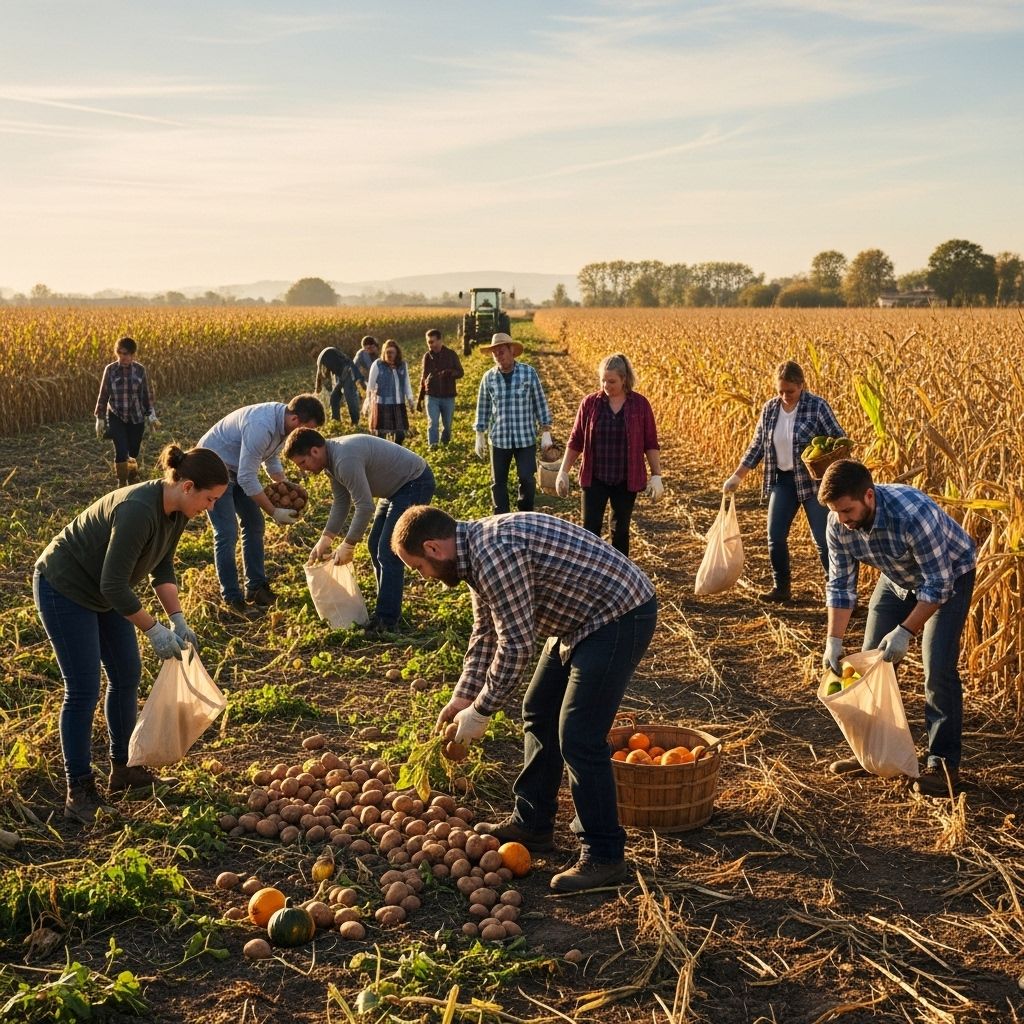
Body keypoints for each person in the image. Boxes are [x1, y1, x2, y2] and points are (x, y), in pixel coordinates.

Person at [392, 506, 658, 893]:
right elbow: (487, 633)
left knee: (579, 736)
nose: (424, 577)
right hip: (578, 618)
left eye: (418, 568)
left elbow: (516, 645)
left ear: (433, 548)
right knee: (538, 710)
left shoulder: (493, 552)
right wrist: (463, 696)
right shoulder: (471, 554)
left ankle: (604, 854)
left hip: (618, 614)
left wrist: (482, 710)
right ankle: (533, 823)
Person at [34, 445, 229, 823]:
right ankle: (79, 791)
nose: (212, 507)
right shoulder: (140, 509)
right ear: (188, 486)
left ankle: (124, 770)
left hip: (104, 591)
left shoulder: (178, 512)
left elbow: (162, 567)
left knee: (126, 675)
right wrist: (152, 628)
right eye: (210, 498)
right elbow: (113, 584)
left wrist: (177, 618)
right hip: (65, 586)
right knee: (83, 689)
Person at [818, 460, 976, 797]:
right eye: (837, 512)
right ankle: (872, 754)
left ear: (869, 497)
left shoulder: (912, 514)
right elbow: (841, 586)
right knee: (870, 666)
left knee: (937, 668)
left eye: (847, 510)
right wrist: (833, 640)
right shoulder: (837, 524)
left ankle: (943, 765)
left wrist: (906, 631)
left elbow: (938, 584)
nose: (842, 520)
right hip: (897, 578)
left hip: (950, 576)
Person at [282, 428, 435, 633]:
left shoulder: (344, 459)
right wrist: (325, 539)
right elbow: (342, 502)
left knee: (388, 551)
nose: (304, 469)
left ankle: (387, 620)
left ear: (315, 451)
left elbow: (364, 506)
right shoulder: (331, 462)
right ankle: (385, 609)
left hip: (414, 482)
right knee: (375, 545)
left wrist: (349, 543)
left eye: (303, 463)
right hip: (393, 490)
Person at [723, 360, 845, 603]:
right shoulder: (770, 409)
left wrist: (828, 462)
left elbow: (839, 439)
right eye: (780, 391)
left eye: (790, 391)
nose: (785, 396)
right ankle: (782, 587)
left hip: (813, 483)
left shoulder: (817, 407)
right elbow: (756, 446)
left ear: (801, 385)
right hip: (783, 481)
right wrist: (736, 476)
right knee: (775, 535)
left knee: (823, 539)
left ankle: (838, 595)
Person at [199, 394, 325, 613]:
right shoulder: (261, 425)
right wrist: (274, 510)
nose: (304, 436)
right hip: (211, 468)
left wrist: (285, 485)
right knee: (227, 532)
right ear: (295, 420)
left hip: (237, 468)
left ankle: (256, 587)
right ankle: (232, 598)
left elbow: (270, 458)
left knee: (255, 524)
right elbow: (248, 477)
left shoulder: (283, 425)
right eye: (306, 428)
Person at [557, 353, 663, 556]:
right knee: (590, 530)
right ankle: (591, 574)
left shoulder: (640, 405)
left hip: (626, 478)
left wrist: (656, 475)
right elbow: (576, 439)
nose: (607, 385)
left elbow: (650, 442)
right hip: (595, 476)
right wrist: (563, 471)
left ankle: (619, 576)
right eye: (603, 380)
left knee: (620, 530)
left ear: (624, 379)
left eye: (612, 381)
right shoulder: (590, 404)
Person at [474, 333, 553, 514]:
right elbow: (483, 407)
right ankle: (501, 518)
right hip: (499, 439)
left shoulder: (528, 373)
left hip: (525, 437)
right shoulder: (489, 378)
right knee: (498, 481)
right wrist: (479, 433)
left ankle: (525, 513)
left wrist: (546, 430)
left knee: (526, 478)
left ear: (512, 351)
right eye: (495, 353)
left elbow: (539, 402)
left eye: (501, 352)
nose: (498, 356)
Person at [94, 336, 160, 487]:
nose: (123, 357)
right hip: (116, 415)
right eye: (120, 353)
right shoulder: (110, 370)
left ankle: (132, 476)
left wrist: (151, 414)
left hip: (136, 417)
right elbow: (103, 394)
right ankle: (122, 481)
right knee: (121, 449)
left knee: (133, 451)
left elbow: (145, 393)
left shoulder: (140, 370)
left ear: (133, 354)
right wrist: (100, 418)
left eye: (127, 354)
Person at [416, 328, 464, 448]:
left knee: (447, 425)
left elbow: (460, 372)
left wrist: (449, 372)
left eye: (432, 342)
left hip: (448, 396)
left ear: (440, 341)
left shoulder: (451, 354)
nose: (430, 345)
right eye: (428, 342)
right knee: (433, 423)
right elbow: (423, 377)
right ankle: (433, 446)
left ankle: (445, 443)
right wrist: (420, 398)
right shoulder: (427, 357)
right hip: (432, 396)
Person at [366, 339, 415, 446]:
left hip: (399, 403)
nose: (389, 355)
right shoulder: (378, 365)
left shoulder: (402, 365)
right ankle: (383, 455)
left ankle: (395, 451)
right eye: (387, 353)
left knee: (401, 434)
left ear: (396, 353)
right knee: (381, 436)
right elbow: (370, 386)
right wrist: (369, 404)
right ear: (384, 353)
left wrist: (410, 400)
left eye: (392, 352)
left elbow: (407, 384)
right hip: (382, 404)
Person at [314, 346, 361, 426]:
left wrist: (317, 388)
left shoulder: (325, 358)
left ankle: (355, 422)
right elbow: (324, 374)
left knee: (350, 399)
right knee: (334, 398)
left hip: (348, 372)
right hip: (343, 372)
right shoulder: (325, 356)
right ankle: (336, 421)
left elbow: (320, 375)